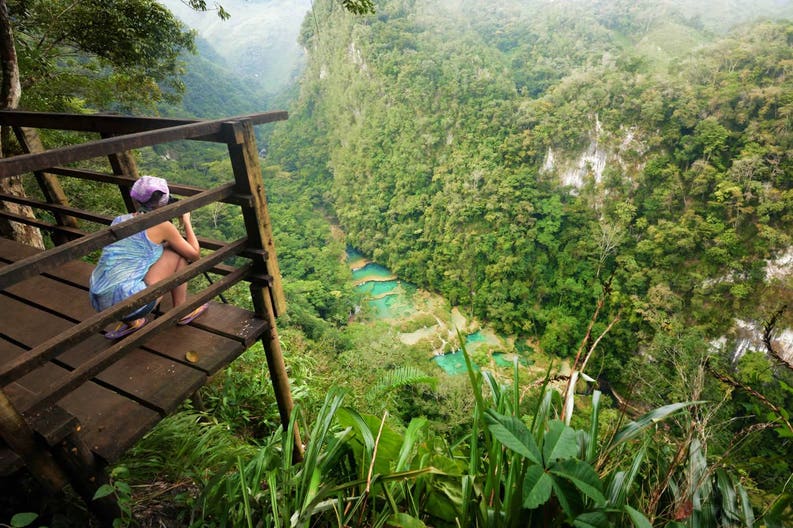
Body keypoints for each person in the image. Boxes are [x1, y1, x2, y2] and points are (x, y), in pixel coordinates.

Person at [89, 175, 208, 339]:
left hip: (100, 301)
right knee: (177, 254)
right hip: (131, 305)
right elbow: (194, 255)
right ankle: (182, 312)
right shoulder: (162, 225)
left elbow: (138, 249)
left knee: (129, 269)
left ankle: (133, 323)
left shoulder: (119, 220)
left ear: (136, 199)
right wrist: (186, 221)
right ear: (163, 202)